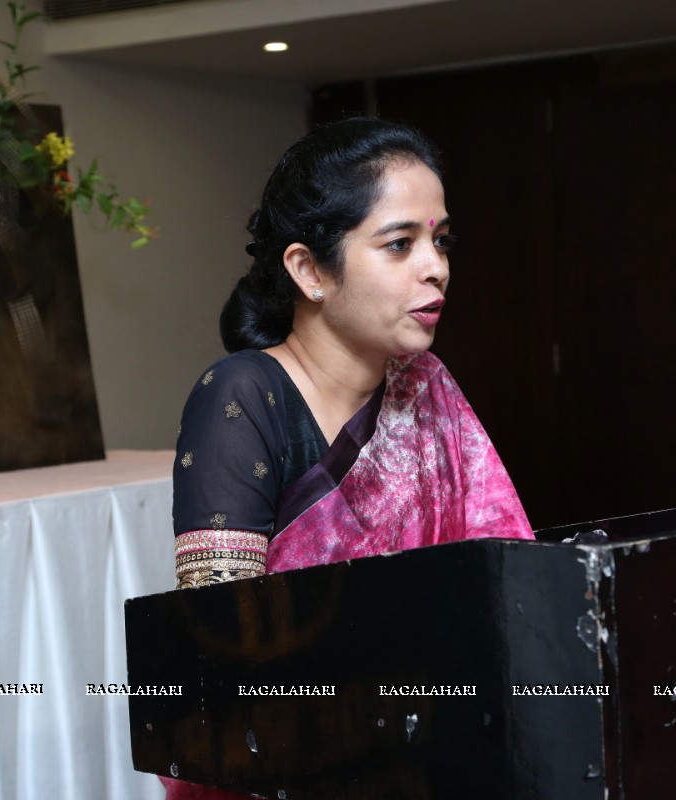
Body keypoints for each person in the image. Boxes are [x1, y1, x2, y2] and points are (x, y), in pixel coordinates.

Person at [164, 116, 535, 798]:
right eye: (400, 244)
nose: (437, 267)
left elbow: (503, 591)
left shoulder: (426, 391)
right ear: (308, 269)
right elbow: (222, 647)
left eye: (441, 241)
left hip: (436, 755)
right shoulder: (243, 398)